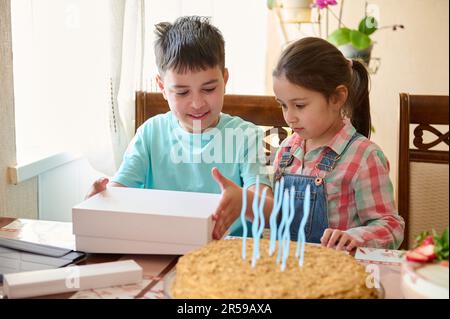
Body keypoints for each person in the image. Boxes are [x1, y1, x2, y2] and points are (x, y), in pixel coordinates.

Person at [86, 16, 271, 237]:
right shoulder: (150, 134)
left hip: (230, 255)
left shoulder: (246, 136)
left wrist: (245, 201)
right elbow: (119, 195)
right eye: (182, 92)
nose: (197, 103)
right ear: (162, 87)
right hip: (161, 249)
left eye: (209, 89)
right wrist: (99, 202)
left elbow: (271, 212)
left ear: (225, 79)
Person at [213, 37, 404, 250]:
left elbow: (391, 226)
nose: (289, 117)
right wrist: (246, 203)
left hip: (338, 275)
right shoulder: (286, 151)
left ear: (337, 98)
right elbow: (279, 218)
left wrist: (354, 238)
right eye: (283, 106)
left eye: (300, 105)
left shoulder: (363, 157)